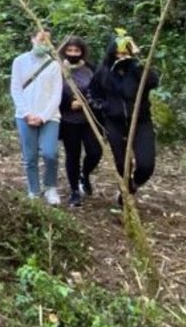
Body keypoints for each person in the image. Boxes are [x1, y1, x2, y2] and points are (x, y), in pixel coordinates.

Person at [89, 30, 160, 204]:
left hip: (140, 121)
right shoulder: (103, 71)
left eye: (125, 53)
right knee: (122, 164)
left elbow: (153, 82)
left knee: (146, 165)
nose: (121, 57)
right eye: (118, 53)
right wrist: (103, 106)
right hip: (114, 122)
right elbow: (93, 92)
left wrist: (139, 60)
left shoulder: (137, 69)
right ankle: (125, 192)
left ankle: (134, 185)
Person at [10, 27, 63, 204]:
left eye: (47, 41)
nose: (43, 44)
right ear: (32, 39)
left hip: (49, 116)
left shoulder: (54, 65)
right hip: (24, 115)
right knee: (30, 156)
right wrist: (26, 113)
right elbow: (16, 88)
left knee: (50, 153)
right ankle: (34, 189)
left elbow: (57, 94)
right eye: (41, 39)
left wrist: (43, 116)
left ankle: (51, 187)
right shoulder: (19, 61)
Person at [58, 36, 102, 207]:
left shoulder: (91, 69)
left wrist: (88, 101)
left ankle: (85, 174)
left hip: (90, 119)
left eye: (76, 51)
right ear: (64, 52)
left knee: (95, 152)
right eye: (70, 50)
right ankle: (75, 190)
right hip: (69, 120)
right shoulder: (58, 69)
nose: (73, 53)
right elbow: (53, 92)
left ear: (82, 52)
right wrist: (69, 104)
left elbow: (99, 89)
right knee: (72, 155)